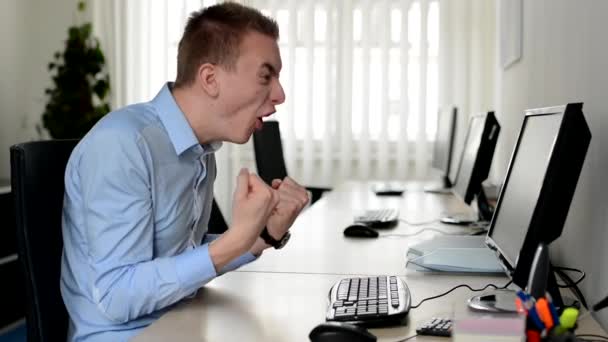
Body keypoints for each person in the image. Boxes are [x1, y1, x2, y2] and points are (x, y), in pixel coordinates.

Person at [60, 3, 310, 341]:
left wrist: (263, 235)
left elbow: (178, 258)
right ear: (210, 78)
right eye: (266, 76)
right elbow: (116, 295)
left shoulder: (200, 151)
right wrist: (236, 238)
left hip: (182, 324)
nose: (279, 95)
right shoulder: (122, 145)